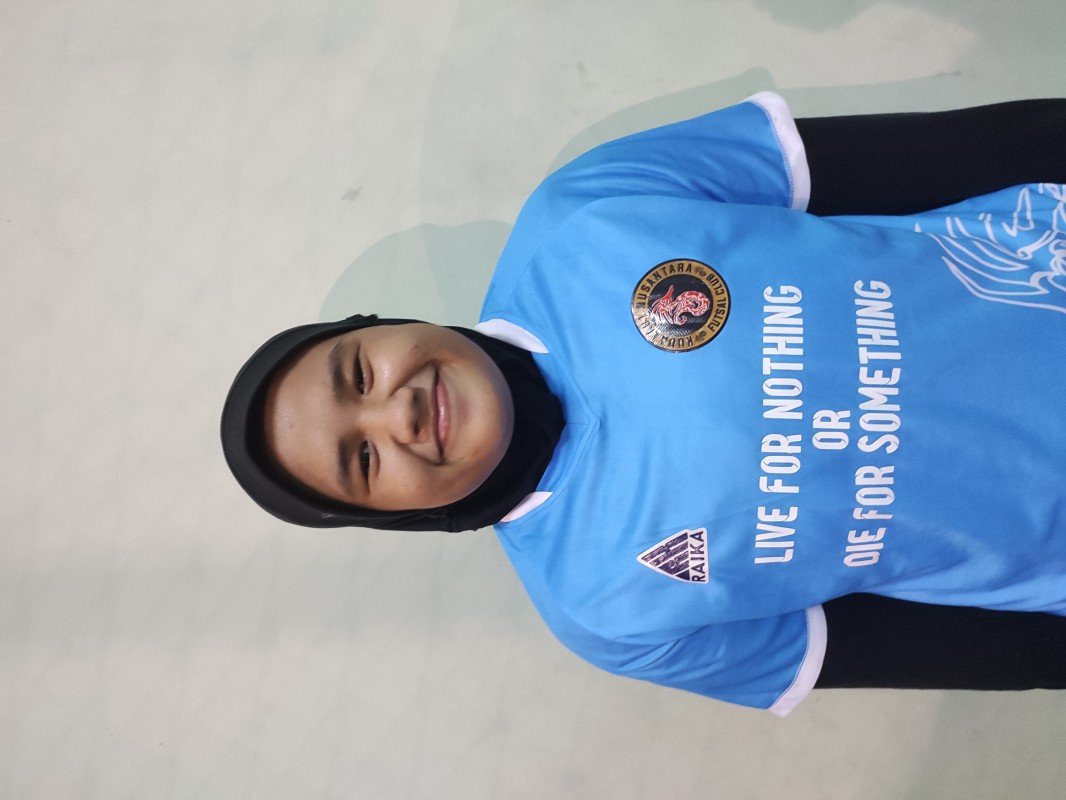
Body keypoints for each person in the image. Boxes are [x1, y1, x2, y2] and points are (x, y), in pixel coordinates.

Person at [222, 93, 1066, 715]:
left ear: (380, 326)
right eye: (363, 459)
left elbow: (943, 153)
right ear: (396, 517)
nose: (396, 415)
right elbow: (944, 644)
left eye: (358, 375)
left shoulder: (582, 212)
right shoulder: (602, 612)